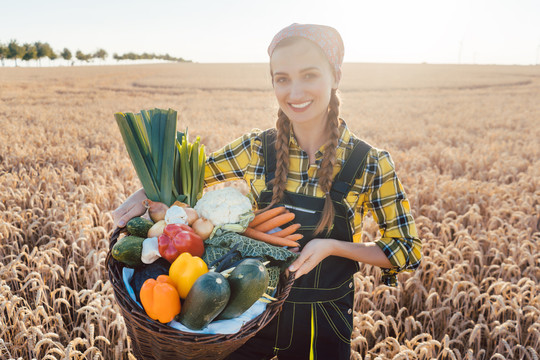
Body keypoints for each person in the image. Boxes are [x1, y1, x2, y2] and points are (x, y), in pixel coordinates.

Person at [112, 23, 422, 360]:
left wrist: (332, 246)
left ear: (336, 76)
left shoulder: (369, 163)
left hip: (322, 323)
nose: (295, 92)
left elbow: (405, 250)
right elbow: (186, 181)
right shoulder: (256, 148)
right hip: (248, 313)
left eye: (309, 75)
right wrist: (147, 191)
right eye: (282, 79)